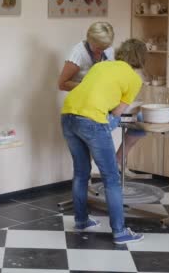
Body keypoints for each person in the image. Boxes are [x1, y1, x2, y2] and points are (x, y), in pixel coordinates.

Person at [60, 38, 147, 244]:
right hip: (91, 121)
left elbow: (93, 93)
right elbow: (116, 113)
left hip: (68, 115)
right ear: (142, 58)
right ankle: (120, 232)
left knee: (81, 173)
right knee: (111, 178)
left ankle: (81, 221)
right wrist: (108, 125)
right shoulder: (134, 80)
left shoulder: (101, 66)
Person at [57, 22, 146, 173]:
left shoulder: (108, 51)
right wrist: (91, 88)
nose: (101, 52)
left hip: (102, 102)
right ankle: (109, 168)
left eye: (105, 48)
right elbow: (62, 84)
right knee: (91, 158)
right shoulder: (78, 54)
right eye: (98, 48)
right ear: (89, 40)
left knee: (141, 119)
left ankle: (119, 159)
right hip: (86, 106)